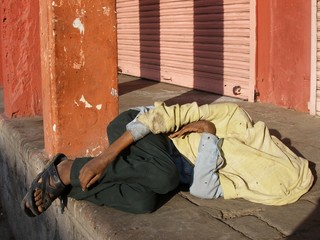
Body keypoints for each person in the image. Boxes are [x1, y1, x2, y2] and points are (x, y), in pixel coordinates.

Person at [21, 102, 314, 217]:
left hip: (157, 166)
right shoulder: (233, 116)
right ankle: (68, 168)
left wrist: (209, 134)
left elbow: (203, 189)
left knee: (144, 203)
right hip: (136, 132)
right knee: (164, 176)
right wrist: (104, 157)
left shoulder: (265, 183)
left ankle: (72, 188)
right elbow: (158, 116)